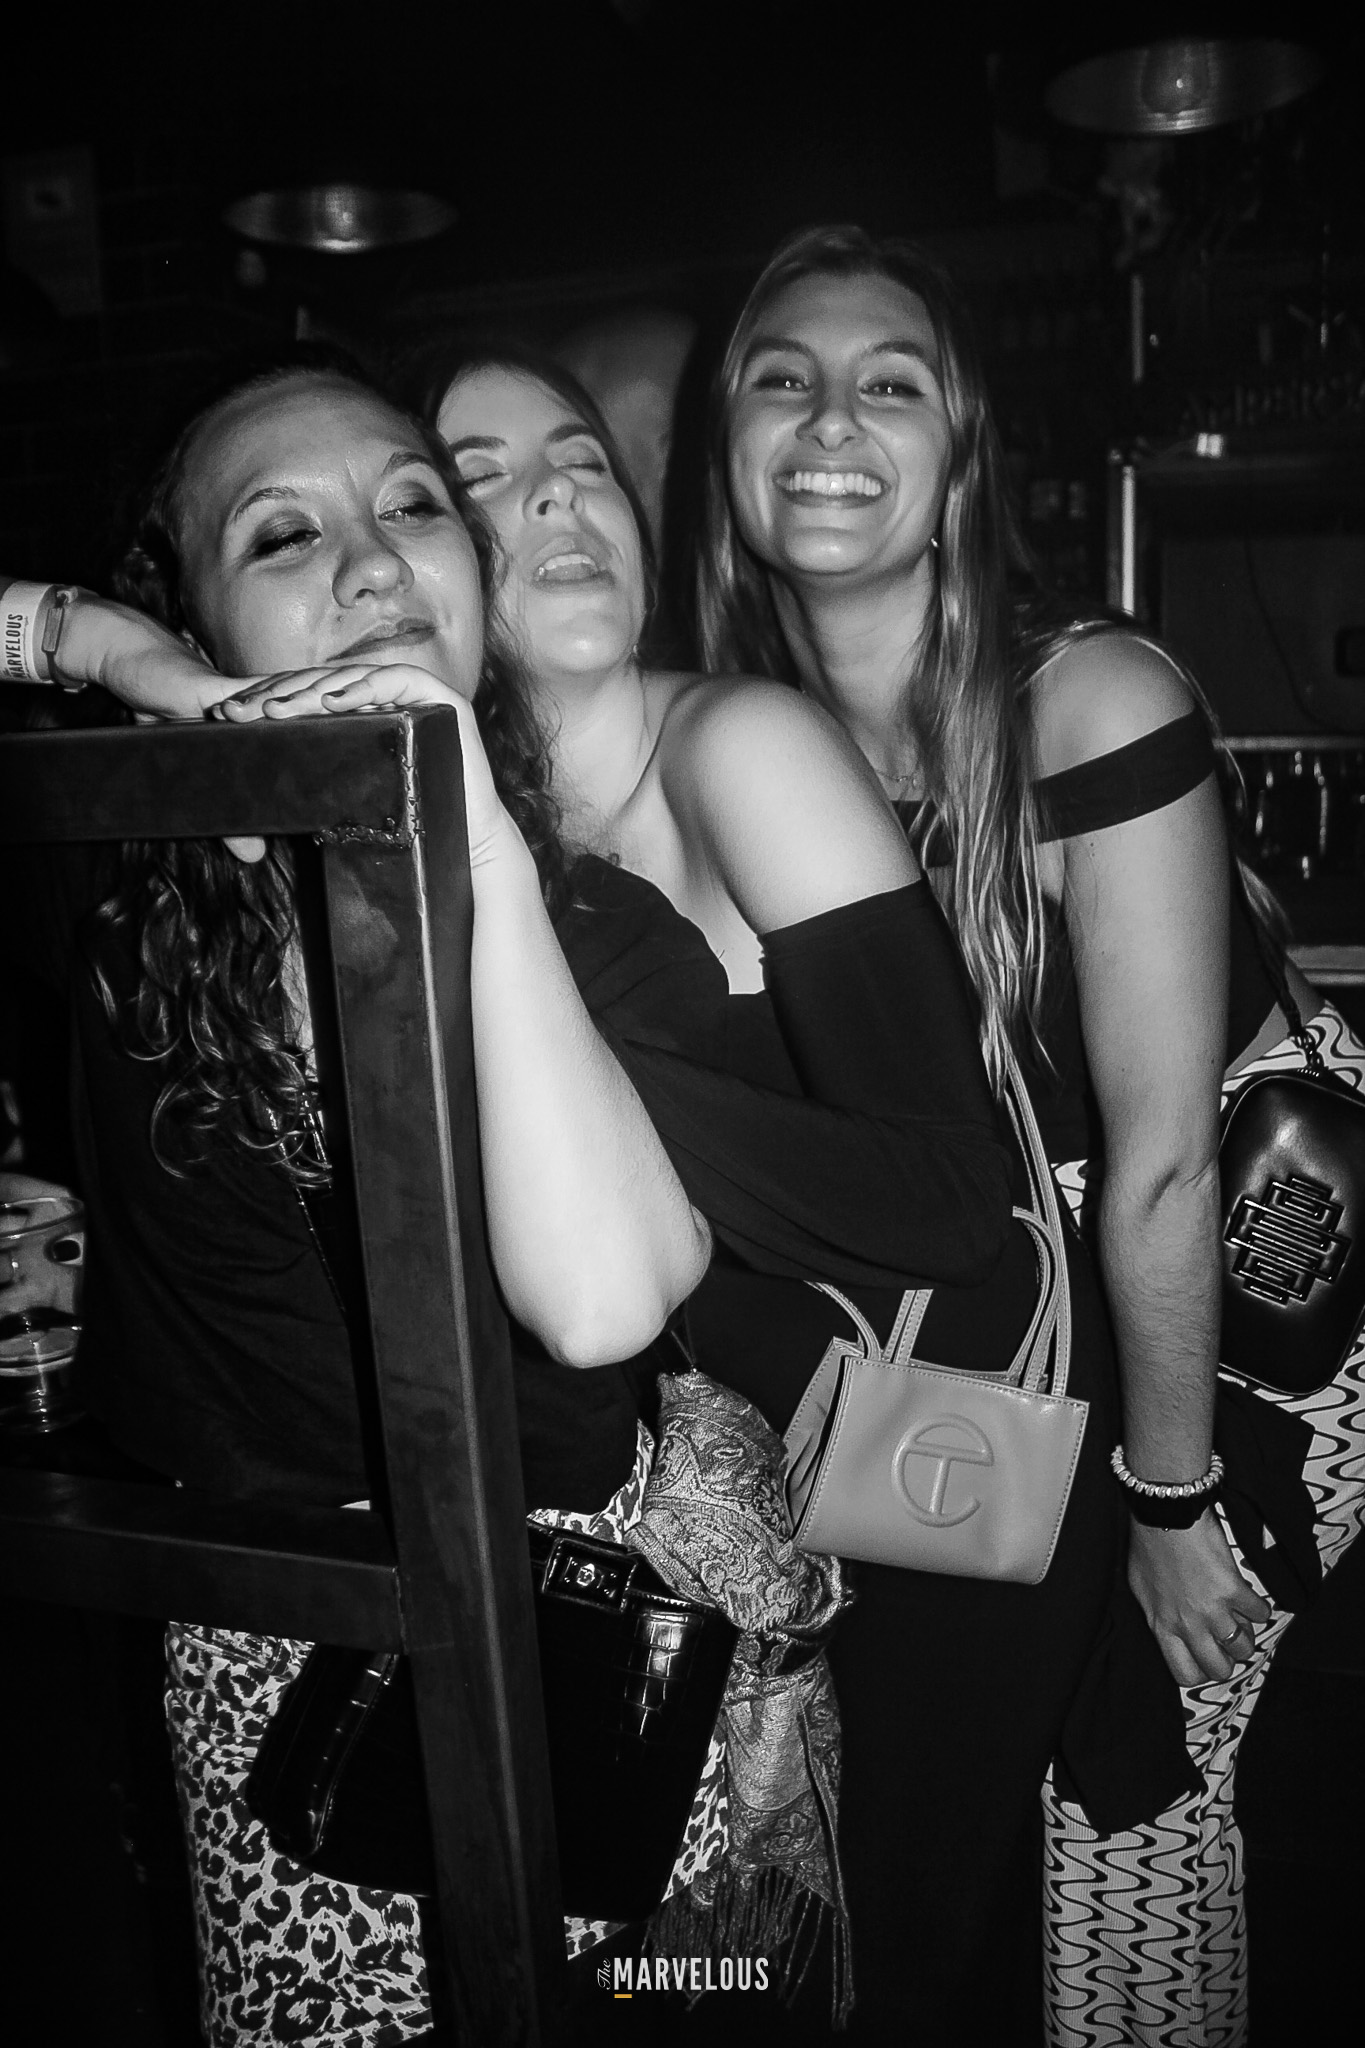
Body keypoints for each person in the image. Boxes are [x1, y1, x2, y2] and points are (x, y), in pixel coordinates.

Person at [8, 351, 1035, 2044]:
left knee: (682, 2013)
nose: (370, 559)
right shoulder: (121, 885)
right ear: (193, 607)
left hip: (602, 1665)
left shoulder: (603, 929)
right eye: (282, 534)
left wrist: (460, 817)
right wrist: (134, 671)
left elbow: (603, 1299)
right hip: (274, 1675)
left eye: (414, 508)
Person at [694, 222, 1365, 2048]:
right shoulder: (735, 743)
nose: (831, 422)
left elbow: (1160, 1163)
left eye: (889, 385)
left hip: (1240, 1302)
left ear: (959, 456)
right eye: (782, 380)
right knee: (929, 1752)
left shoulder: (1086, 699)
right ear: (724, 448)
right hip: (1022, 1315)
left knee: (1122, 1787)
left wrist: (1169, 1502)